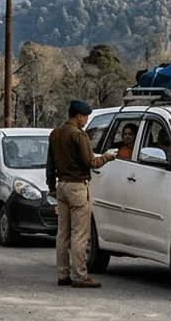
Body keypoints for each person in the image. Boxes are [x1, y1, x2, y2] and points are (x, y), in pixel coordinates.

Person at [47, 99, 114, 288]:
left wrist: (51, 184)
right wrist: (107, 158)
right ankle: (79, 275)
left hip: (62, 185)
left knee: (63, 233)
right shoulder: (79, 136)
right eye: (86, 117)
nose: (86, 120)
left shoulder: (56, 133)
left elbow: (50, 162)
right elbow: (90, 163)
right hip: (78, 186)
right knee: (79, 234)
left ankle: (63, 274)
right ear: (79, 116)